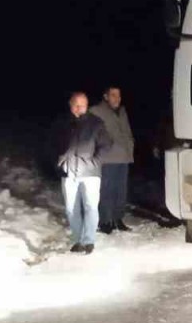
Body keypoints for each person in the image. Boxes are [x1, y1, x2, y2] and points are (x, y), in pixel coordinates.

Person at [56, 91, 111, 254]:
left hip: (90, 173)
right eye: (77, 105)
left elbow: (106, 144)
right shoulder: (62, 123)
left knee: (91, 206)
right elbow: (51, 144)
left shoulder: (96, 123)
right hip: (69, 173)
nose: (80, 109)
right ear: (70, 105)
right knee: (71, 209)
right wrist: (58, 161)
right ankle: (77, 240)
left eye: (83, 105)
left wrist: (95, 161)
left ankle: (88, 240)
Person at [90, 85, 135, 233]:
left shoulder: (122, 111)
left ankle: (118, 219)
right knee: (106, 191)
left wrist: (130, 144)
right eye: (114, 95)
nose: (117, 99)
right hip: (107, 159)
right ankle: (105, 222)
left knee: (120, 191)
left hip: (124, 157)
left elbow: (127, 131)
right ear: (106, 97)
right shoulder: (96, 111)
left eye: (119, 96)